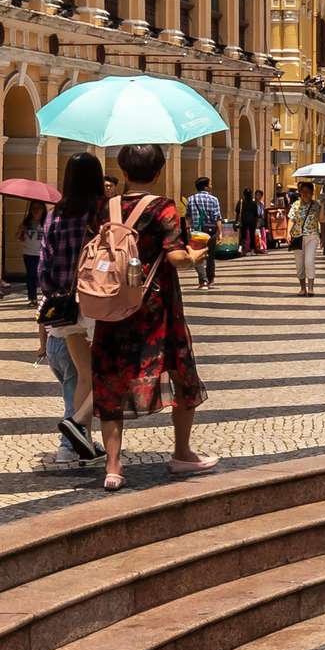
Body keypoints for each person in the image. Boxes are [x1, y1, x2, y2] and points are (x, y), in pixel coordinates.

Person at [84, 144, 210, 484]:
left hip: (112, 303)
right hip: (154, 306)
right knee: (180, 370)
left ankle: (112, 466)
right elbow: (175, 257)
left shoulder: (104, 207)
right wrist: (197, 256)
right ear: (158, 171)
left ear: (123, 171)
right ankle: (182, 453)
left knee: (110, 376)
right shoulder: (162, 207)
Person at [28, 153, 107, 469]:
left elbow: (44, 267)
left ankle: (79, 437)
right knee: (94, 376)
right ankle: (72, 433)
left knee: (82, 375)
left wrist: (51, 294)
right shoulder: (97, 215)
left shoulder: (54, 216)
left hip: (62, 306)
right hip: (93, 303)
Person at [183, 177, 224, 287]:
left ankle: (203, 280)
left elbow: (187, 216)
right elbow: (217, 217)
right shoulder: (214, 199)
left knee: (198, 255)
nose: (211, 186)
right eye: (210, 184)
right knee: (210, 256)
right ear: (205, 186)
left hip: (197, 231)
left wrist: (188, 229)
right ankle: (210, 280)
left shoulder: (191, 199)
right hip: (210, 231)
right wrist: (220, 232)